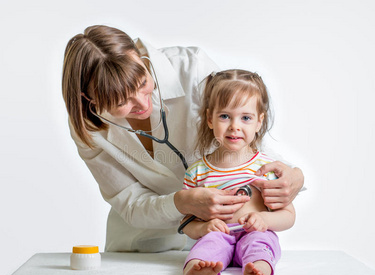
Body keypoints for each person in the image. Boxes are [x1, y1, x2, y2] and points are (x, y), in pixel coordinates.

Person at [61, 25, 303, 253]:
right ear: (89, 98)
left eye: (143, 83)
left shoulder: (192, 68)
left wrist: (294, 175)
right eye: (121, 102)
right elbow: (129, 201)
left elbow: (243, 133)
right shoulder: (87, 126)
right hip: (143, 242)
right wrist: (179, 203)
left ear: (138, 56)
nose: (143, 104)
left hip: (222, 235)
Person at [181, 69, 295, 275]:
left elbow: (289, 215)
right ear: (210, 119)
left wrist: (264, 219)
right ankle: (194, 273)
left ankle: (257, 273)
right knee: (209, 243)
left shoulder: (267, 168)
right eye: (225, 116)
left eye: (245, 118)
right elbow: (186, 224)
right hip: (219, 235)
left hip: (254, 233)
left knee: (261, 242)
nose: (234, 126)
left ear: (259, 121)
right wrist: (203, 227)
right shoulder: (197, 172)